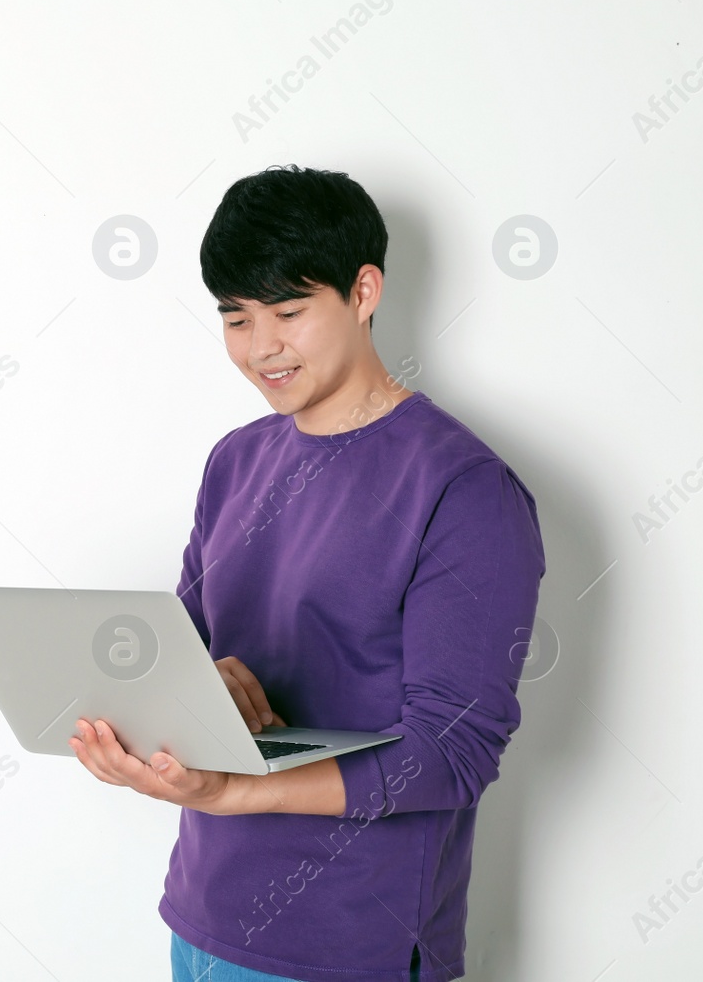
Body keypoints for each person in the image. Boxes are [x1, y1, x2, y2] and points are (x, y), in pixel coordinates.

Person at [68, 165, 546, 982]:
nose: (262, 347)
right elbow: (174, 654)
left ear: (364, 292)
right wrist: (179, 692)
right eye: (236, 317)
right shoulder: (235, 461)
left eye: (290, 311)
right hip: (201, 915)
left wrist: (234, 791)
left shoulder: (461, 488)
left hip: (348, 943)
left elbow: (453, 752)